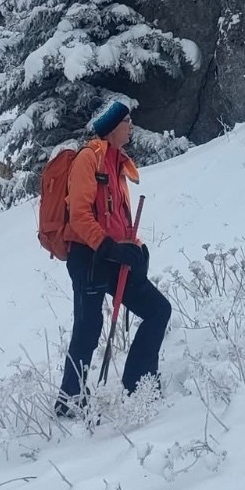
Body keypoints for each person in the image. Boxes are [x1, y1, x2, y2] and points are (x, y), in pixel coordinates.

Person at [55, 98, 171, 415]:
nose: (131, 126)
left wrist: (135, 249)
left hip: (115, 257)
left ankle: (139, 384)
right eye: (127, 121)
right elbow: (79, 216)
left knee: (158, 310)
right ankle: (69, 403)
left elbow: (117, 219)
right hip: (88, 257)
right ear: (111, 127)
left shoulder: (117, 165)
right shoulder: (88, 160)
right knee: (88, 330)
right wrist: (108, 247)